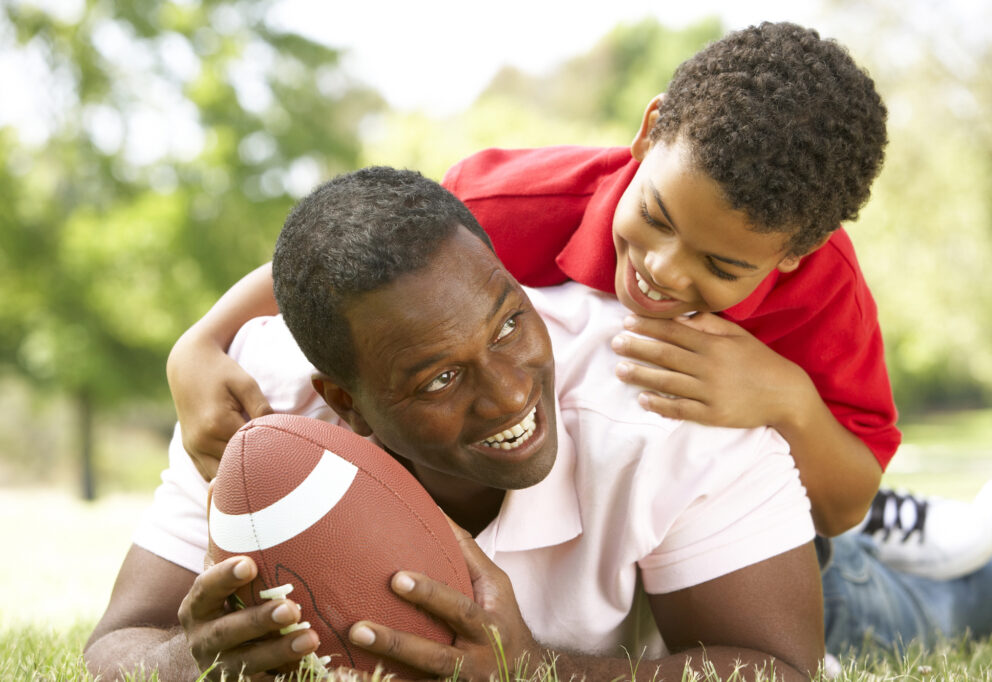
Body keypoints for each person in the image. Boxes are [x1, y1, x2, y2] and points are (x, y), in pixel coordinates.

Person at [85, 167, 825, 682]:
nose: (507, 396)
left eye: (508, 325)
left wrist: (536, 672)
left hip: (781, 556)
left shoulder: (667, 414)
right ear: (343, 403)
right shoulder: (257, 414)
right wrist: (190, 663)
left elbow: (783, 669)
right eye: (439, 378)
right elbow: (117, 641)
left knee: (891, 595)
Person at [167, 22, 895, 539]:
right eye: (656, 215)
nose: (663, 269)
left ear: (795, 253)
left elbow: (840, 507)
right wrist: (200, 341)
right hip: (615, 537)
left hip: (782, 539)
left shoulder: (824, 291)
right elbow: (354, 270)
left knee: (876, 597)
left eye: (722, 266)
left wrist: (786, 399)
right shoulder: (514, 206)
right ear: (649, 132)